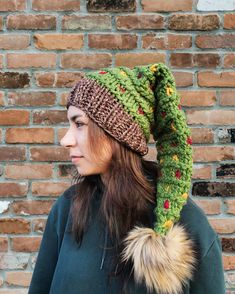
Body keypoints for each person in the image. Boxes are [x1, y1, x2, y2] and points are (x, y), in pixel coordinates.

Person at [28, 63, 225, 294]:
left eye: (79, 124)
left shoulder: (185, 224)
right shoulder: (68, 208)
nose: (66, 140)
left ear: (117, 134)